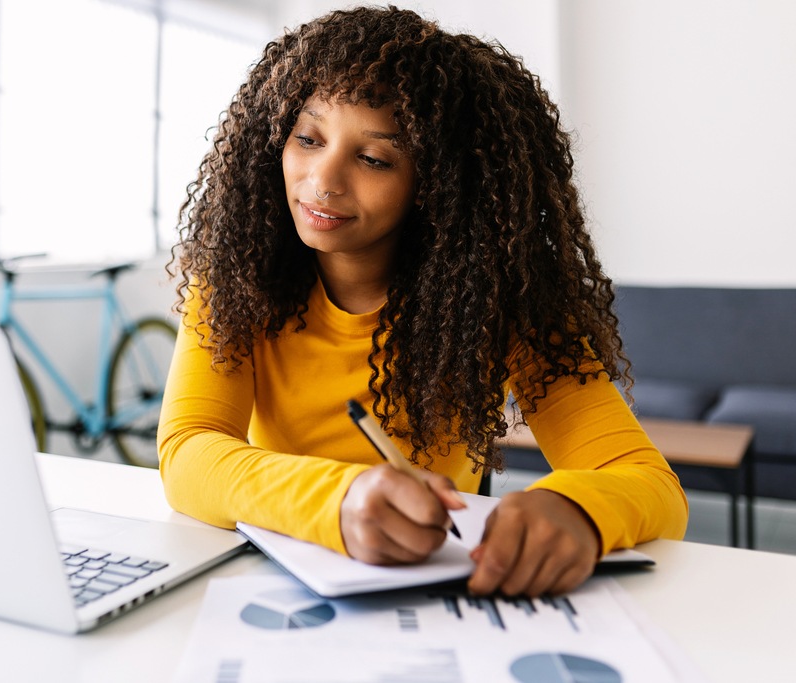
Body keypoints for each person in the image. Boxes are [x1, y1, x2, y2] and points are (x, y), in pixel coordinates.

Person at [158, 5, 688, 597]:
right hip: (266, 578)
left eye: (374, 159)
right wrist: (340, 499)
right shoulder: (234, 279)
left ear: (438, 185)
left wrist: (577, 511)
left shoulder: (502, 297)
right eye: (307, 138)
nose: (323, 180)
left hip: (434, 589)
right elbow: (188, 452)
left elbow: (649, 483)